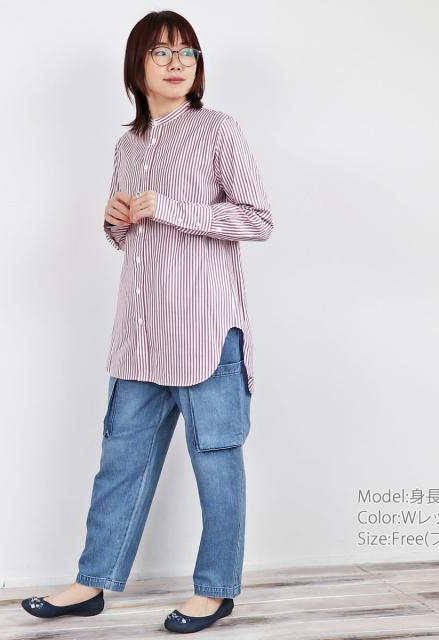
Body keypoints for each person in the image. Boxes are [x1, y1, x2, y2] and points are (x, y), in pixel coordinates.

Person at [21, 9, 272, 633]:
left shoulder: (218, 130)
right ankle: (92, 583)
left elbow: (257, 219)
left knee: (216, 461)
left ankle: (215, 591)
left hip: (206, 333)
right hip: (139, 337)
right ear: (138, 66)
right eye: (162, 52)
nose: (177, 62)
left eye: (187, 52)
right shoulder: (126, 145)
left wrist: (171, 207)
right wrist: (116, 221)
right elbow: (132, 239)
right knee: (120, 461)